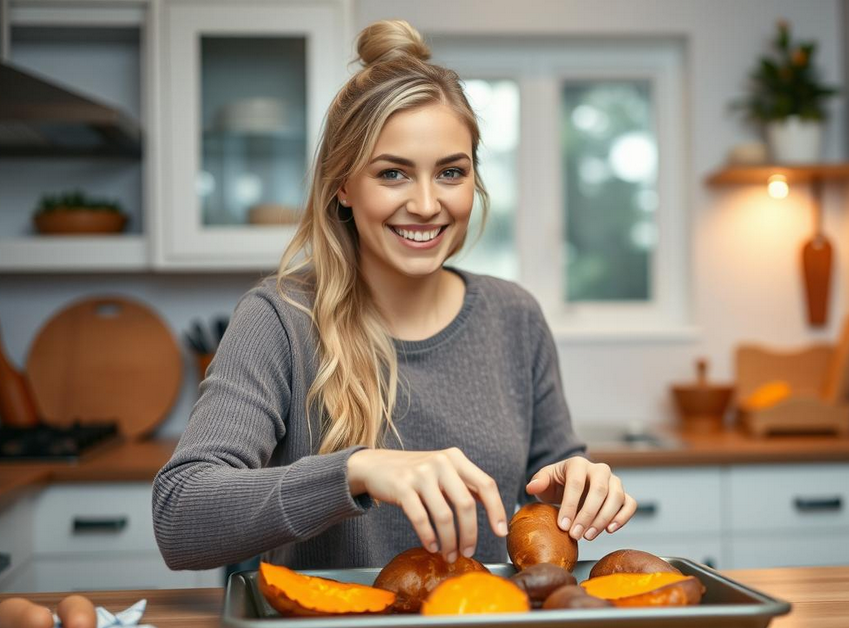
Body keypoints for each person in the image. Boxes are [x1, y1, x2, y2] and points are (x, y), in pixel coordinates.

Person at [151, 19, 636, 572]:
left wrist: (576, 486)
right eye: (393, 174)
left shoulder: (514, 316)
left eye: (451, 172)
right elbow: (180, 517)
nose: (428, 204)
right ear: (343, 185)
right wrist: (355, 471)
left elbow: (545, 493)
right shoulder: (280, 320)